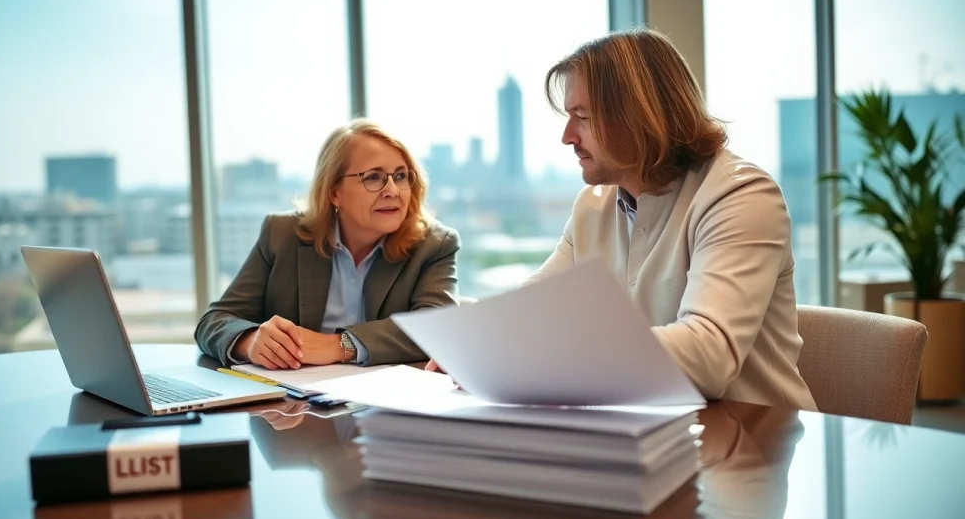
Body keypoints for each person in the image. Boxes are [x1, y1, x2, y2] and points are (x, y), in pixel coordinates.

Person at [430, 29, 815, 410]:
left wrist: (544, 356)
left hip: (756, 436)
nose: (567, 136)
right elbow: (531, 310)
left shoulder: (740, 197)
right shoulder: (592, 206)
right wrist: (478, 349)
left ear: (640, 117)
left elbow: (708, 356)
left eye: (582, 117)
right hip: (651, 431)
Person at [196, 119, 460, 369]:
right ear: (334, 192)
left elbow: (439, 328)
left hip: (388, 398)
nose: (392, 190)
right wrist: (251, 341)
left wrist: (339, 346)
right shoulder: (282, 235)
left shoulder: (434, 245)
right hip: (293, 398)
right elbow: (214, 321)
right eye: (373, 177)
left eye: (400, 176)